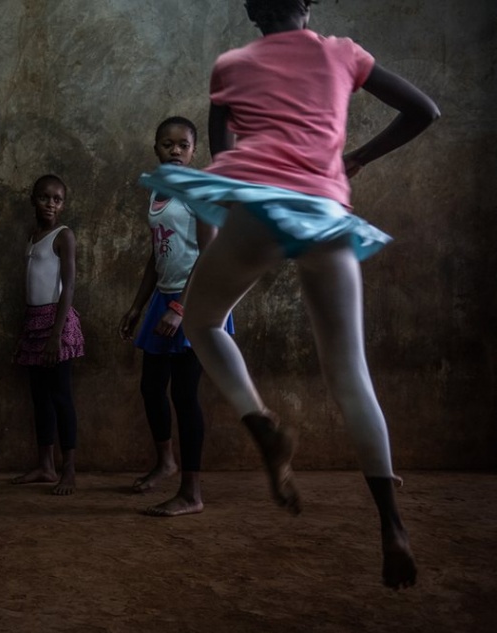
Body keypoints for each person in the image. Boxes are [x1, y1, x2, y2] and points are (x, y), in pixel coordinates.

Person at [139, 0, 438, 588]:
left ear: (252, 10)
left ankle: (261, 423)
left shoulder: (231, 64)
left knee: (202, 323)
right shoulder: (342, 53)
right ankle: (391, 525)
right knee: (350, 373)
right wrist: (351, 160)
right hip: (326, 212)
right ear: (309, 3)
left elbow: (225, 165)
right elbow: (424, 111)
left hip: (259, 211)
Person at [119, 116, 232, 516]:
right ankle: (166, 461)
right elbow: (159, 252)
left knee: (185, 396)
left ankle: (192, 492)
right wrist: (138, 305)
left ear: (193, 151)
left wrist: (182, 308)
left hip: (195, 303)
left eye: (183, 144)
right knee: (152, 387)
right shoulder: (158, 194)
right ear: (155, 150)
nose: (175, 151)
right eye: (167, 144)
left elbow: (211, 254)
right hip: (163, 302)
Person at [11, 175, 84, 495]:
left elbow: (68, 285)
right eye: (44, 197)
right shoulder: (32, 236)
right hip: (33, 322)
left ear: (63, 204)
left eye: (57, 199)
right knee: (39, 397)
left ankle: (68, 469)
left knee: (60, 396)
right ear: (33, 199)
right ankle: (45, 465)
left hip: (56, 322)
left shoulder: (63, 235)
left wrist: (56, 334)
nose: (51, 203)